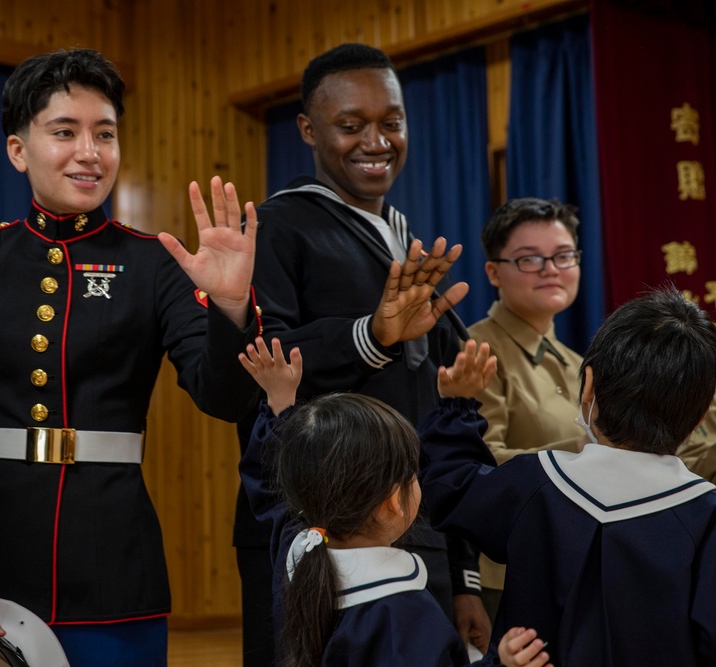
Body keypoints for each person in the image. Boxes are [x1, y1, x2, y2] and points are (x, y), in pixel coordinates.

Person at [0, 48, 260, 665]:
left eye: (105, 134)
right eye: (65, 132)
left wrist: (231, 307)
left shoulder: (155, 262)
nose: (90, 152)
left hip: (114, 568)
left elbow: (224, 397)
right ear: (18, 149)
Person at [235, 42, 488, 664]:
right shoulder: (280, 227)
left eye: (391, 123)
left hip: (412, 520)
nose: (376, 141)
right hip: (312, 531)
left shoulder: (403, 234)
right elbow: (258, 363)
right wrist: (371, 336)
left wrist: (465, 576)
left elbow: (437, 418)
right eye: (351, 126)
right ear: (308, 129)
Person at [419, 286, 716, 666]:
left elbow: (450, 485)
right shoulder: (704, 515)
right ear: (698, 416)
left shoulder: (537, 483)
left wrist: (456, 405)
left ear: (588, 387)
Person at [237, 337, 470, 667]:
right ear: (393, 501)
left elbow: (271, 489)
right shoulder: (402, 612)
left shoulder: (299, 551)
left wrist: (279, 404)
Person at [467, 198, 585, 618]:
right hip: (506, 573)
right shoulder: (474, 352)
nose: (551, 269)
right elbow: (477, 466)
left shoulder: (577, 362)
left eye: (563, 255)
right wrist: (589, 453)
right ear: (493, 272)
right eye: (530, 258)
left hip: (575, 561)